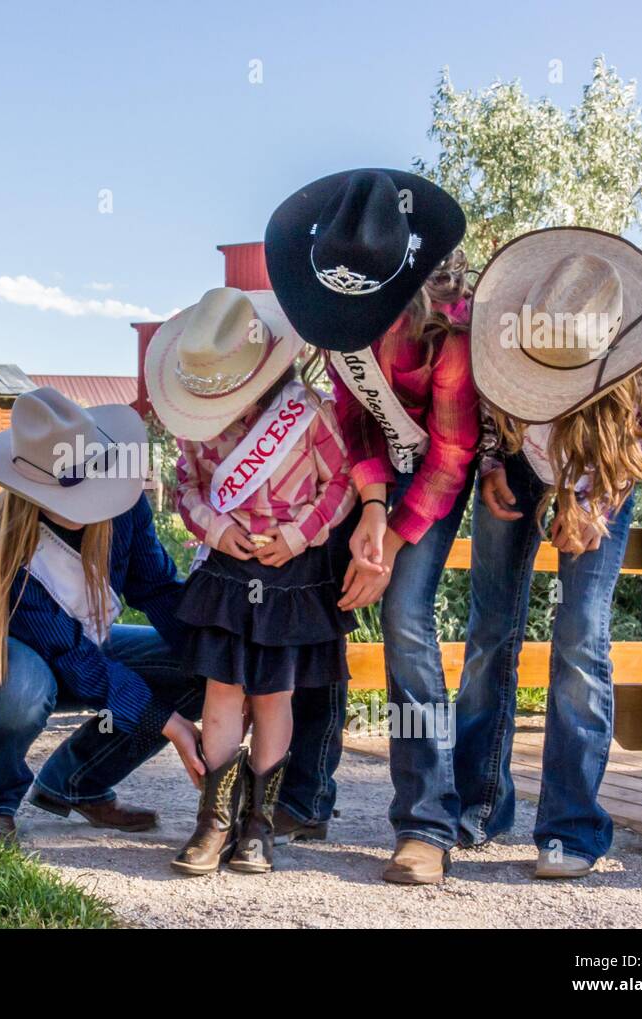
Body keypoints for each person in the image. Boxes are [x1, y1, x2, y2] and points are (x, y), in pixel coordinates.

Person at [266, 167, 476, 884]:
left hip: (438, 473)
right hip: (378, 473)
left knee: (406, 615)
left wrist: (388, 538)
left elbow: (450, 457)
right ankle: (304, 793)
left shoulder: (451, 331)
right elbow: (355, 418)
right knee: (318, 596)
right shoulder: (335, 312)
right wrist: (372, 506)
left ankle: (426, 824)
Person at [456, 227, 642, 878]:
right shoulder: (503, 326)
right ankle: (478, 806)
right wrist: (493, 462)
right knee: (489, 629)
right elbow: (482, 399)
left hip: (599, 470)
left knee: (581, 632)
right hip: (520, 466)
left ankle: (570, 827)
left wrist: (598, 504)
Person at [0, 387, 205, 843]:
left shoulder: (125, 504)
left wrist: (217, 658)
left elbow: (156, 587)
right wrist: (170, 724)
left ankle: (78, 783)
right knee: (20, 686)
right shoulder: (7, 549)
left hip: (76, 645)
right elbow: (76, 659)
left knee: (196, 669)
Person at [145, 286, 356, 875]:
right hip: (228, 572)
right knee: (221, 693)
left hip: (293, 568)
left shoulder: (306, 413)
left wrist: (301, 534)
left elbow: (339, 487)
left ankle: (258, 825)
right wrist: (215, 529)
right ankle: (213, 823)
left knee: (273, 695)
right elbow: (186, 487)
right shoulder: (197, 423)